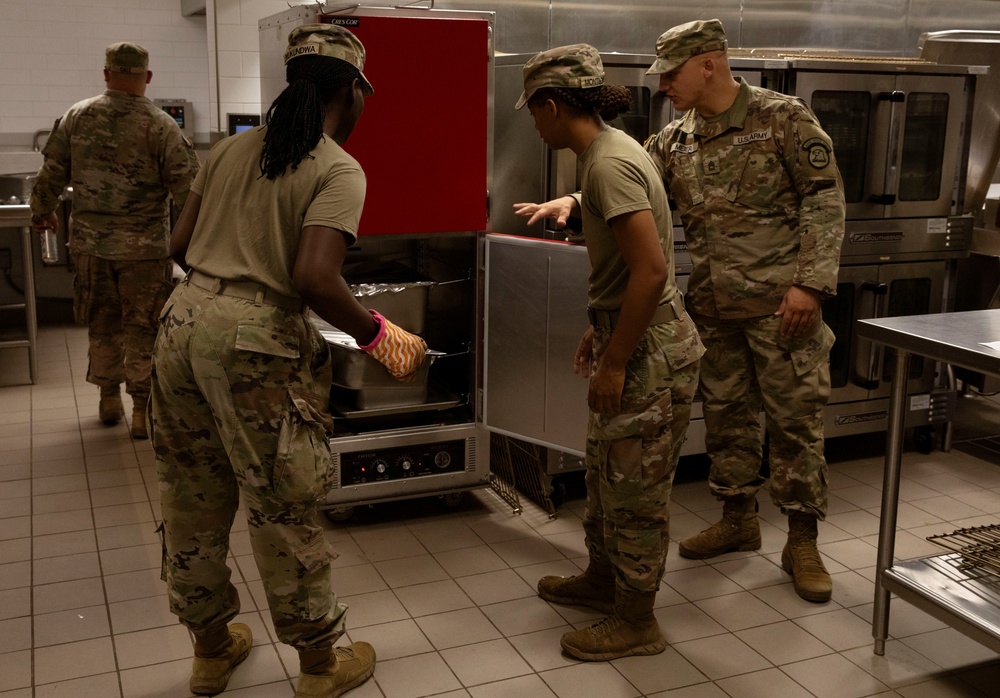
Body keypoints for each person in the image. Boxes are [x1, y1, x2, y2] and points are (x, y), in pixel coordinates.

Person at [150, 24, 425, 698]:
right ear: (353, 91)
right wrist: (382, 336)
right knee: (282, 502)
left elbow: (179, 242)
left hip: (182, 321)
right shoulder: (336, 167)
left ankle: (211, 650)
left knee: (192, 492)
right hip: (252, 341)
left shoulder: (230, 148)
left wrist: (223, 278)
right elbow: (314, 278)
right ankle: (321, 666)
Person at [512, 44, 704, 661]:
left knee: (636, 491)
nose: (533, 124)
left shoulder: (608, 165)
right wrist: (604, 330)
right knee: (605, 474)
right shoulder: (606, 153)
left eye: (533, 112)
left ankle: (636, 619)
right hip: (634, 335)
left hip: (650, 353)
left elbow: (650, 271)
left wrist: (618, 359)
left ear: (552, 104)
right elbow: (629, 274)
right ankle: (603, 580)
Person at [643, 19, 846, 602]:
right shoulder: (677, 138)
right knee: (729, 417)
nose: (663, 86)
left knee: (794, 423)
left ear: (709, 64)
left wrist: (810, 285)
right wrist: (574, 200)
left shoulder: (781, 118)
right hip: (713, 308)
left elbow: (825, 198)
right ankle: (738, 520)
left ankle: (801, 541)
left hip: (784, 309)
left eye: (672, 74)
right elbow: (636, 185)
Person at [29, 42, 199, 440]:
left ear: (106, 74)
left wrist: (42, 212)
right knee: (144, 326)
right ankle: (141, 409)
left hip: (91, 247)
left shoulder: (77, 116)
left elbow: (51, 172)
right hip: (144, 251)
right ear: (147, 77)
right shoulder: (161, 125)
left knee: (101, 322)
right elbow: (190, 191)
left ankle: (108, 397)